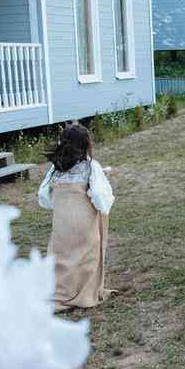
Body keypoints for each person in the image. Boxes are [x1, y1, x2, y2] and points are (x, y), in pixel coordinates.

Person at [38, 123, 115, 312]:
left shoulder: (55, 169)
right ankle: (84, 294)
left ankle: (62, 292)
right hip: (84, 221)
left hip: (62, 222)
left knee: (62, 257)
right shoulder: (91, 166)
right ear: (86, 143)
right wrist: (104, 207)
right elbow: (99, 196)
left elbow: (43, 196)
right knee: (87, 255)